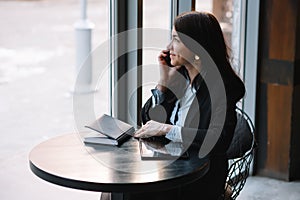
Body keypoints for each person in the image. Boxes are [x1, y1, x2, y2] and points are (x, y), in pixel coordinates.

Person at [133, 11, 245, 200]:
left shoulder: (222, 87)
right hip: (170, 166)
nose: (169, 47)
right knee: (114, 192)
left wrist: (167, 129)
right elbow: (147, 121)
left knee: (127, 194)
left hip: (199, 176)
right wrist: (163, 83)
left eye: (176, 39)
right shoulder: (180, 77)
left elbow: (219, 140)